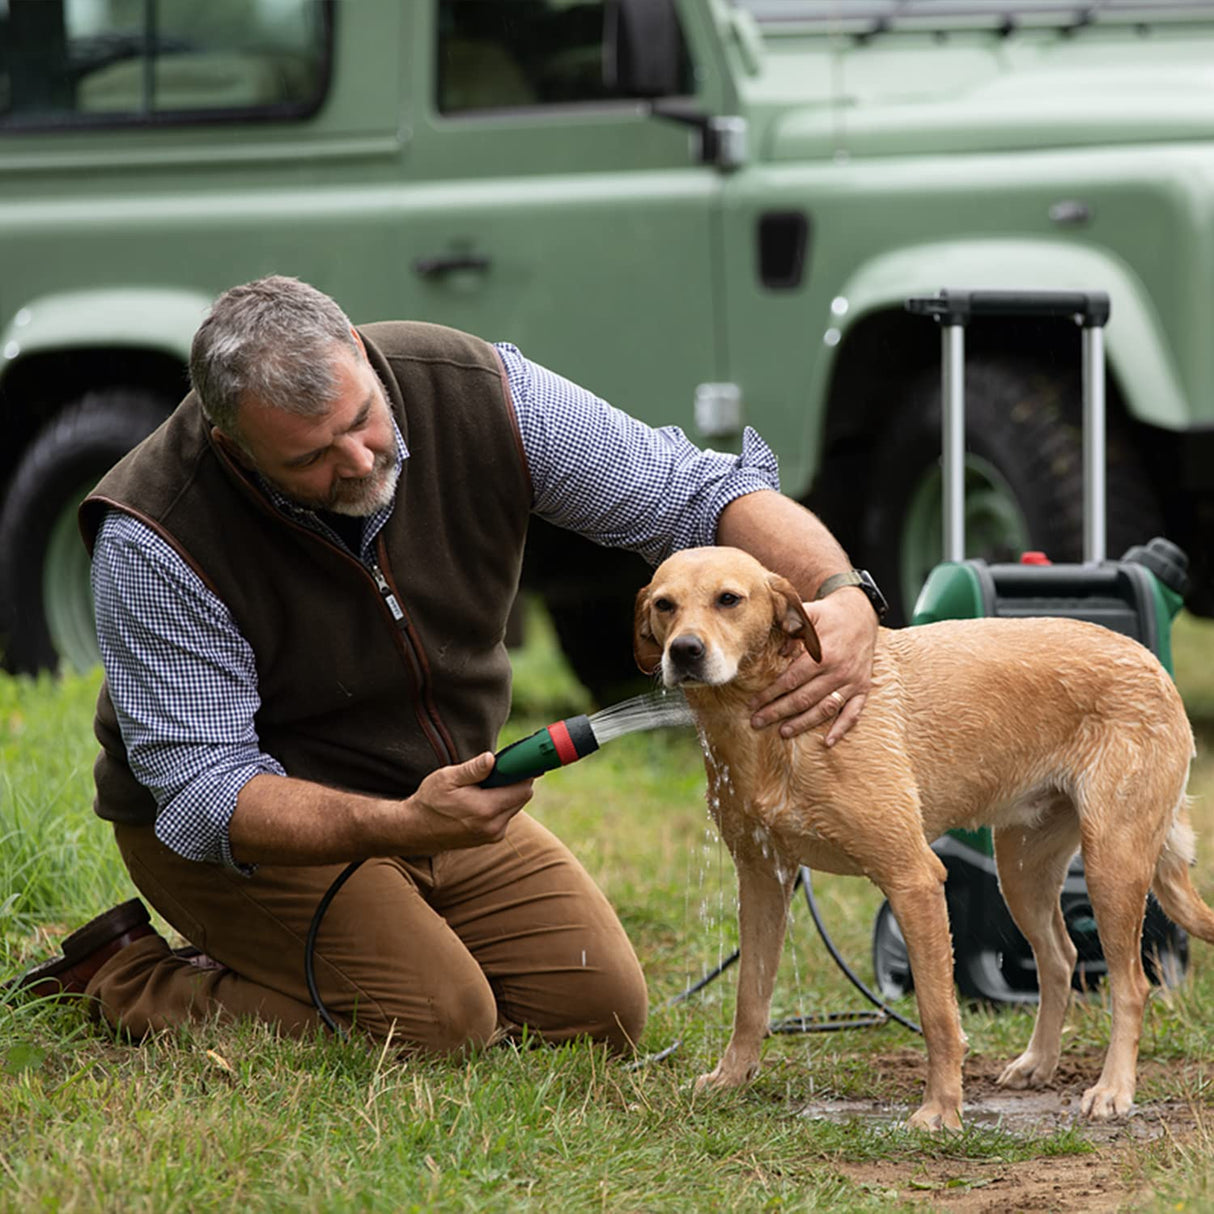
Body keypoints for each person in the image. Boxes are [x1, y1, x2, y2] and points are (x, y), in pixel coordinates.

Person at [12, 275, 880, 1051]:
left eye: (361, 422)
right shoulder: (156, 532)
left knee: (598, 1010)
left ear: (358, 351)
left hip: (435, 798)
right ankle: (129, 978)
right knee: (442, 1023)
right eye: (310, 457)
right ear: (234, 444)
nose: (358, 462)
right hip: (256, 838)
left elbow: (695, 491)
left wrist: (842, 594)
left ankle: (333, 950)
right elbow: (207, 795)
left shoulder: (476, 391)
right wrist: (394, 828)